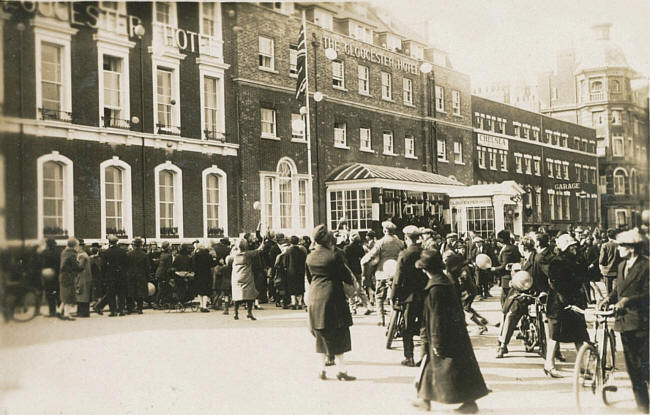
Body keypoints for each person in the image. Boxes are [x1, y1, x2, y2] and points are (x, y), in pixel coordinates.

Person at [413, 250, 489, 413]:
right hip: (455, 332)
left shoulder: (435, 288)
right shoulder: (446, 281)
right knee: (433, 365)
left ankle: (470, 403)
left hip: (443, 335)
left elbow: (436, 317)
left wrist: (436, 341)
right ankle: (424, 399)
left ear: (426, 269)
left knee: (455, 368)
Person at [601, 229, 649, 412]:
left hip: (642, 321)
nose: (618, 248)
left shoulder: (646, 266)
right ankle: (644, 408)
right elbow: (620, 289)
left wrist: (628, 301)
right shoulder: (622, 266)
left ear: (632, 248)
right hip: (624, 321)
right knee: (634, 370)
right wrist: (610, 298)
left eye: (622, 245)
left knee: (645, 366)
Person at [306, 225, 356, 381]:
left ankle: (321, 369)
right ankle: (341, 371)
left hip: (315, 296)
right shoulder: (334, 256)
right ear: (328, 240)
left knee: (321, 334)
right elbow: (346, 277)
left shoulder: (310, 257)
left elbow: (309, 278)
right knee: (340, 334)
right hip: (333, 298)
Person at [544, 234, 589, 378]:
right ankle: (549, 365)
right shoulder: (557, 262)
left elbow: (584, 277)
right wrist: (566, 299)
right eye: (571, 246)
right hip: (559, 304)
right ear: (565, 248)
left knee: (580, 334)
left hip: (573, 303)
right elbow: (555, 283)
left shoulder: (575, 261)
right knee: (555, 335)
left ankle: (584, 366)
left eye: (575, 246)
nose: (574, 248)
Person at [391, 225, 427, 366]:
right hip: (424, 294)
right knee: (424, 326)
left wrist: (393, 296)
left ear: (406, 238)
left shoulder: (405, 254)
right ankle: (424, 358)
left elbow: (398, 278)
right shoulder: (425, 252)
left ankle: (409, 357)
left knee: (407, 328)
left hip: (409, 296)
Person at [497, 236, 535, 358]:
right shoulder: (527, 259)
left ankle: (503, 345)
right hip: (524, 292)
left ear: (523, 247)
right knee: (506, 312)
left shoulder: (534, 259)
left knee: (510, 315)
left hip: (527, 295)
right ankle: (502, 341)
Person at [361, 220, 405, 325]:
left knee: (379, 297)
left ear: (385, 230)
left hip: (382, 273)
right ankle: (394, 320)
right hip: (395, 272)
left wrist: (364, 261)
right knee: (394, 297)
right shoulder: (400, 242)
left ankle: (380, 319)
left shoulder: (380, 242)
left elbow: (372, 254)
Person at [95, 235, 127, 317]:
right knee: (121, 294)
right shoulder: (122, 252)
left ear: (109, 242)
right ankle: (121, 310)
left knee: (111, 294)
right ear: (117, 242)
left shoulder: (106, 252)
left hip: (111, 276)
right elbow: (126, 264)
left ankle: (113, 311)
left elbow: (103, 266)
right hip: (121, 276)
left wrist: (104, 276)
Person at [229, 238, 259, 320]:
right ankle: (249, 312)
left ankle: (236, 313)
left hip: (236, 276)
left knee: (236, 295)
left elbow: (228, 260)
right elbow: (259, 250)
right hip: (246, 276)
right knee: (249, 295)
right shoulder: (247, 254)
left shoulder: (234, 254)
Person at [344, 231, 371, 315]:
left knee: (350, 290)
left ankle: (353, 309)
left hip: (350, 270)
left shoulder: (346, 248)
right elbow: (363, 258)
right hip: (358, 270)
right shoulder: (360, 248)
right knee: (360, 289)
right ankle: (368, 305)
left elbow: (345, 261)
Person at [492, 230, 521, 307]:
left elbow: (504, 265)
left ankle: (506, 316)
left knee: (505, 300)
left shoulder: (506, 250)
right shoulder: (514, 247)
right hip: (514, 275)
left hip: (506, 277)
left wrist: (494, 269)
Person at [58, 238, 83, 321]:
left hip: (63, 276)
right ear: (74, 246)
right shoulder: (72, 254)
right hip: (69, 277)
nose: (78, 246)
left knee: (65, 294)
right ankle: (66, 314)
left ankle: (59, 310)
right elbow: (76, 267)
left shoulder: (64, 252)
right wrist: (81, 265)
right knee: (69, 295)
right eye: (77, 245)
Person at [126, 237, 150, 314]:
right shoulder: (144, 255)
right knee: (140, 292)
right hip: (141, 276)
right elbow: (147, 267)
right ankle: (140, 309)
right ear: (140, 245)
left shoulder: (128, 254)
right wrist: (147, 276)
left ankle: (130, 308)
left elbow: (126, 266)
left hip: (130, 275)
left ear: (134, 245)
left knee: (130, 292)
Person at [282, 236, 308, 310]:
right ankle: (300, 303)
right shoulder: (302, 251)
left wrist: (285, 267)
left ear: (290, 242)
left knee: (292, 286)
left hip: (291, 271)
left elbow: (285, 262)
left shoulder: (288, 251)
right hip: (300, 271)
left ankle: (293, 302)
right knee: (300, 286)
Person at [40, 238, 60, 317]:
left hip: (47, 275)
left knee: (49, 294)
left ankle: (52, 311)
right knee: (57, 293)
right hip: (56, 275)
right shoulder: (58, 252)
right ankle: (60, 310)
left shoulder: (44, 253)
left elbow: (41, 264)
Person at [193, 243, 215, 312]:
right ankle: (205, 306)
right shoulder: (208, 255)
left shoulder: (196, 255)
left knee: (199, 290)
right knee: (206, 291)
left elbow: (193, 265)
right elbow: (212, 264)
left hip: (198, 274)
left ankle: (201, 305)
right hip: (206, 274)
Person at [599, 229, 621, 294]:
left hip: (607, 271)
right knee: (616, 291)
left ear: (607, 236)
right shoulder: (619, 245)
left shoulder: (605, 245)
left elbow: (601, 260)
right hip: (617, 271)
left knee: (609, 291)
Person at [75, 239, 92, 317]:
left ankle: (82, 312)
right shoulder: (85, 255)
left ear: (80, 247)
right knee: (84, 295)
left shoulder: (82, 256)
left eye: (77, 246)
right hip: (85, 277)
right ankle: (84, 312)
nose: (76, 248)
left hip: (82, 277)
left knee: (81, 294)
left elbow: (80, 267)